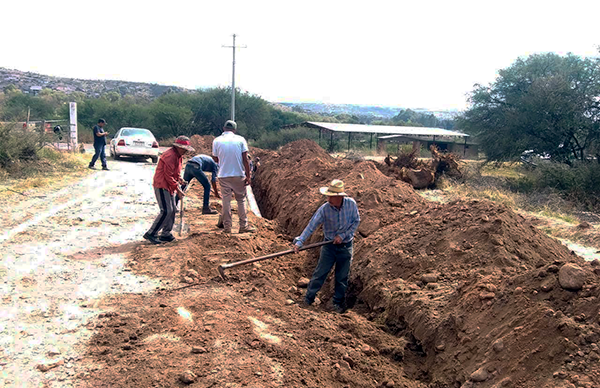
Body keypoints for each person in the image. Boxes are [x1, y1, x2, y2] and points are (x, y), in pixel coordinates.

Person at [293, 179, 360, 313]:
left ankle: (337, 304)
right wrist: (300, 242)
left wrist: (343, 236)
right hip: (329, 247)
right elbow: (312, 225)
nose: (328, 198)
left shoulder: (351, 205)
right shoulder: (325, 209)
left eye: (331, 196)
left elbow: (356, 221)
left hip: (346, 246)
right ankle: (308, 299)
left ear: (339, 197)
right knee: (320, 273)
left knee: (342, 277)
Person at [144, 136, 195, 244]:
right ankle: (151, 233)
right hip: (162, 185)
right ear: (178, 147)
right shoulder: (170, 156)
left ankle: (166, 234)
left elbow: (174, 173)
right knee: (166, 211)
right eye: (184, 148)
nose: (185, 151)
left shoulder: (178, 156)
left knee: (173, 211)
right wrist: (178, 190)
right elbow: (168, 176)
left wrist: (180, 180)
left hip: (169, 186)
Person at [212, 120, 255, 234]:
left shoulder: (216, 140)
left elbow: (215, 158)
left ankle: (227, 228)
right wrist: (248, 175)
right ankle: (243, 226)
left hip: (223, 175)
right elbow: (245, 159)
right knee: (241, 200)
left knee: (226, 201)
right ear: (234, 130)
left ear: (223, 128)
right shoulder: (240, 140)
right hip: (238, 174)